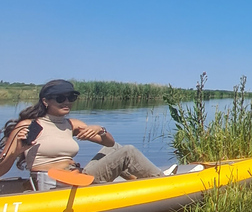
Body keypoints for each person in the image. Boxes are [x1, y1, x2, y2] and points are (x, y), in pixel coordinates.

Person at [0, 79, 173, 190]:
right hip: (55, 182)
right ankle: (165, 184)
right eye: (61, 99)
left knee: (118, 149)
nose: (67, 102)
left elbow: (110, 144)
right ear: (46, 101)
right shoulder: (29, 126)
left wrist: (101, 130)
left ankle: (136, 180)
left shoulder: (72, 124)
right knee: (127, 152)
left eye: (71, 98)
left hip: (77, 175)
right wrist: (15, 152)